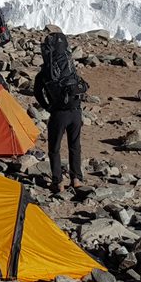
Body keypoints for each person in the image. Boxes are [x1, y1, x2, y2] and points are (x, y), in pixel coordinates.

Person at [34, 31, 89, 193]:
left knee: (54, 148)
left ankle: (58, 182)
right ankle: (76, 179)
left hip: (58, 113)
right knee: (75, 146)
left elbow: (38, 93)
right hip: (76, 112)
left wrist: (48, 106)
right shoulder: (70, 68)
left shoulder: (44, 73)